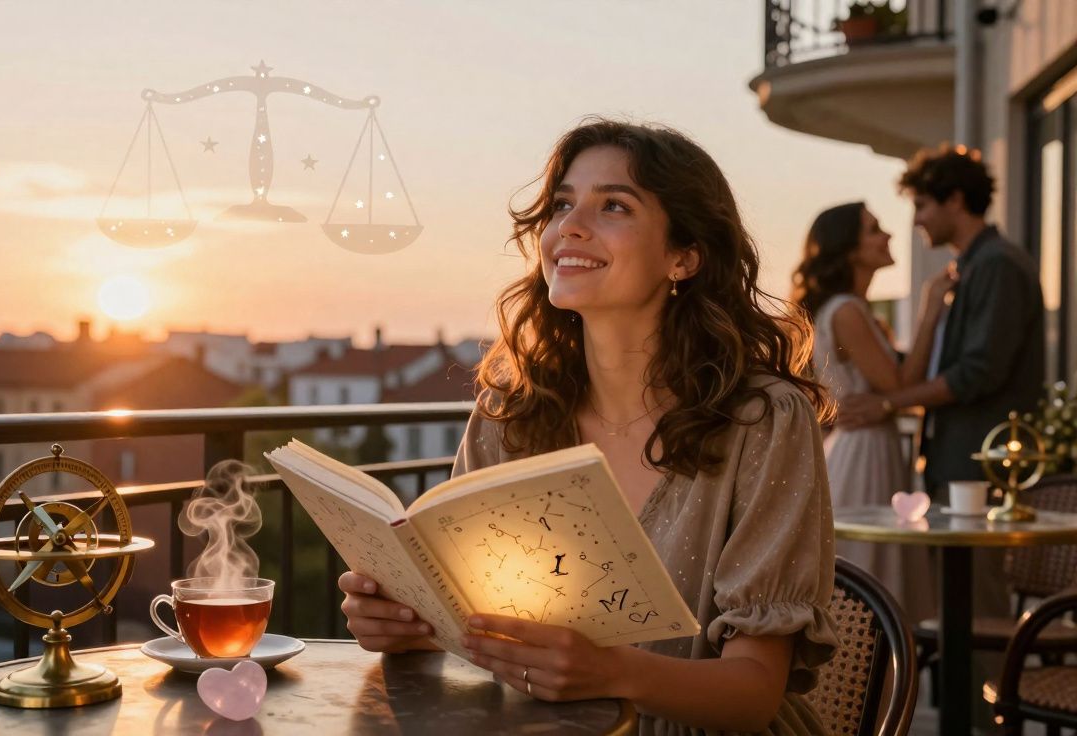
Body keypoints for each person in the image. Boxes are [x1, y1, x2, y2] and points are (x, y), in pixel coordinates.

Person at [338, 119, 839, 735]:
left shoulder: (763, 420)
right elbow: (484, 628)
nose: (570, 226)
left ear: (683, 256)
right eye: (562, 205)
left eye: (614, 206)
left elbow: (753, 694)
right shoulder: (510, 416)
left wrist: (610, 672)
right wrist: (409, 626)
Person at [837, 145, 1044, 499]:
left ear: (955, 200)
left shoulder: (997, 265)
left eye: (921, 206)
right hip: (962, 463)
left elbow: (977, 372)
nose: (916, 221)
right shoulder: (970, 268)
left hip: (983, 465)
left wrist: (887, 404)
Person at [791, 201, 944, 623]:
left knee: (873, 565)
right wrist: (930, 309)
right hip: (865, 454)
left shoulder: (847, 308)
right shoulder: (847, 310)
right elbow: (899, 385)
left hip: (865, 446)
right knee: (870, 570)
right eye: (874, 229)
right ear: (849, 248)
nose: (888, 235)